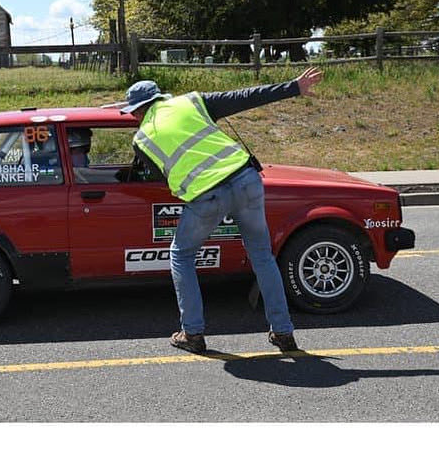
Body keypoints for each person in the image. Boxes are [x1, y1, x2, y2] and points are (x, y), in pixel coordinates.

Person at [119, 68, 323, 354]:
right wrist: (293, 87)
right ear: (160, 97)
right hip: (246, 180)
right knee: (263, 257)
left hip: (207, 197)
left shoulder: (141, 140)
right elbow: (243, 97)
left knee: (181, 255)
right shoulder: (190, 102)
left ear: (137, 112)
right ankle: (283, 332)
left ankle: (192, 333)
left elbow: (160, 178)